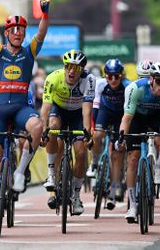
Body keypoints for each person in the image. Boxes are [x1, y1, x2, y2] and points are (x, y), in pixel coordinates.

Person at [0, 0, 49, 225]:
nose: (18, 33)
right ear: (7, 33)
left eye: (21, 30)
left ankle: (20, 171)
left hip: (21, 108)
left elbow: (41, 35)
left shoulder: (29, 53)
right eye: (13, 30)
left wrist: (45, 14)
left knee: (37, 126)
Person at [116, 61, 160, 223]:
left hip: (156, 115)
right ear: (151, 79)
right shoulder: (135, 88)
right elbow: (127, 118)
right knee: (132, 159)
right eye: (159, 81)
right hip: (136, 117)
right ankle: (132, 205)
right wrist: (121, 137)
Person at [40, 49, 96, 216]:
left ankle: (77, 196)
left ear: (82, 70)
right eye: (69, 66)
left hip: (78, 114)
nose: (72, 71)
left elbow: (87, 112)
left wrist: (87, 134)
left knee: (80, 152)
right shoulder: (52, 78)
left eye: (77, 68)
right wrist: (44, 131)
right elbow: (45, 108)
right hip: (59, 111)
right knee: (52, 126)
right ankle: (51, 174)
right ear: (64, 66)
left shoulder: (89, 80)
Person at [89, 59, 130, 209]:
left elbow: (128, 111)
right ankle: (94, 162)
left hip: (120, 116)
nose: (113, 80)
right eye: (109, 76)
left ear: (122, 76)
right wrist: (92, 127)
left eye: (116, 76)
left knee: (118, 150)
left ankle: (115, 185)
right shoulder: (100, 84)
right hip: (104, 113)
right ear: (105, 75)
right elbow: (95, 107)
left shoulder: (127, 86)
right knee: (97, 135)